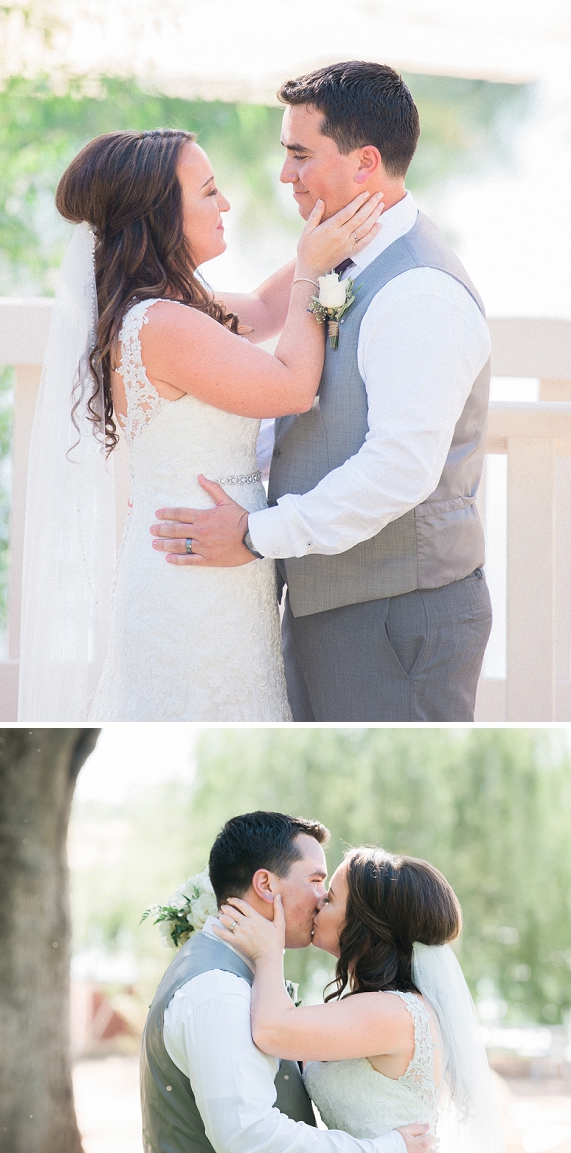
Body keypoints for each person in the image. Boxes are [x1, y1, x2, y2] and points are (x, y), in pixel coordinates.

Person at [151, 61, 492, 722]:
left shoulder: (420, 293)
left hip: (393, 617)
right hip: (325, 595)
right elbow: (263, 330)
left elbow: (398, 470)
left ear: (365, 163)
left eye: (300, 154)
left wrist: (255, 533)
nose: (285, 175)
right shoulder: (336, 248)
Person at [18, 127, 381, 721]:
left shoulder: (176, 303)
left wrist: (338, 227)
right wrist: (314, 273)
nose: (226, 206)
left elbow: (267, 311)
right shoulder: (162, 324)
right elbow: (291, 386)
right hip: (194, 577)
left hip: (215, 560)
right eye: (209, 192)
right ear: (160, 215)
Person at [140, 811, 434, 1153]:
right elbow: (248, 1138)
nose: (321, 897)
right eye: (315, 880)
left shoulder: (242, 978)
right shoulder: (219, 989)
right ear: (265, 885)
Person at [213, 843, 507, 1153]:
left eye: (330, 899)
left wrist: (267, 953)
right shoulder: (378, 1007)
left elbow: (271, 1030)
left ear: (363, 923)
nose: (317, 903)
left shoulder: (394, 1014)